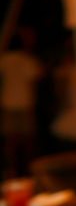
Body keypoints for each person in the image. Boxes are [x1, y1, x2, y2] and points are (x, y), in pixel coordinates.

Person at [0, 27, 44, 177]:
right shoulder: (26, 60)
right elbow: (37, 79)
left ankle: (14, 168)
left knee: (12, 138)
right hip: (24, 102)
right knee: (26, 139)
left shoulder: (5, 59)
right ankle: (26, 168)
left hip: (9, 102)